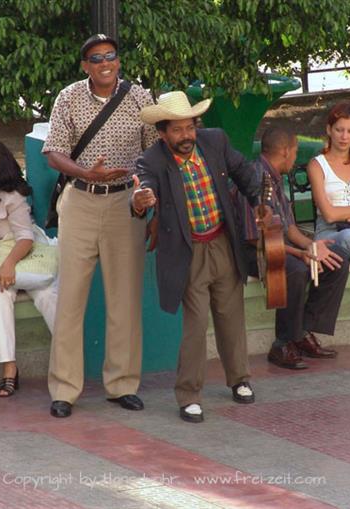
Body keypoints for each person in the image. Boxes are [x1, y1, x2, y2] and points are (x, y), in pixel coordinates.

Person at [132, 91, 267, 423]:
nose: (186, 136)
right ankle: (189, 395)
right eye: (177, 130)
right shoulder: (151, 161)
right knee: (195, 325)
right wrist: (141, 200)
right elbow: (142, 192)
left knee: (231, 315)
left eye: (189, 127)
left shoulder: (215, 141)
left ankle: (240, 379)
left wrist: (259, 200)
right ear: (162, 133)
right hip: (187, 249)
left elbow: (244, 172)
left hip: (223, 239)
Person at [42, 34, 158, 418]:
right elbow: (53, 153)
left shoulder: (140, 97)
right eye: (96, 57)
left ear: (118, 61)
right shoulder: (69, 97)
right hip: (80, 198)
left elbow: (154, 151)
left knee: (124, 298)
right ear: (85, 65)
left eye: (111, 56)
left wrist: (145, 194)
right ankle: (64, 389)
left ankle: (122, 384)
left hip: (125, 201)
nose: (105, 62)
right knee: (70, 297)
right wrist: (84, 171)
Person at [238, 127, 349, 369]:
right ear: (286, 151)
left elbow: (290, 230)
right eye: (296, 151)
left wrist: (312, 247)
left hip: (275, 246)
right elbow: (254, 239)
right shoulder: (254, 178)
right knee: (296, 269)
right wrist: (299, 254)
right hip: (250, 251)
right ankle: (283, 343)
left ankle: (301, 333)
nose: (296, 156)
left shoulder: (275, 179)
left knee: (336, 259)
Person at [0, 137, 57, 396]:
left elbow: (25, 237)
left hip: (23, 253)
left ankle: (67, 364)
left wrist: (9, 265)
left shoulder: (11, 196)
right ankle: (9, 368)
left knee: (47, 294)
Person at [307, 102, 350, 256]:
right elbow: (329, 215)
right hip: (331, 233)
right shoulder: (317, 165)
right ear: (329, 130)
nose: (344, 136)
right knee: (349, 237)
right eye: (339, 130)